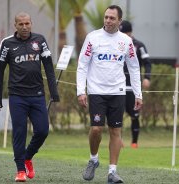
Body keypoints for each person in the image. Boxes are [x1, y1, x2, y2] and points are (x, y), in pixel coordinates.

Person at [77, 5, 143, 184]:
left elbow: (134, 67)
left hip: (118, 91)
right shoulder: (93, 37)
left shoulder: (126, 41)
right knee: (97, 129)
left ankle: (112, 172)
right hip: (96, 91)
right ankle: (93, 159)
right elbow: (82, 64)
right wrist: (80, 91)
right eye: (106, 17)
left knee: (115, 130)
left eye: (112, 18)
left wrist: (138, 94)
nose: (107, 20)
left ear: (119, 21)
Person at [0, 12, 59, 182]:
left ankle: (28, 157)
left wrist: (54, 91)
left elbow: (49, 68)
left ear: (31, 24)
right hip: (17, 96)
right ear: (15, 25)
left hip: (37, 95)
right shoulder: (7, 44)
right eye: (20, 24)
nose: (24, 27)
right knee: (20, 132)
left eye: (27, 23)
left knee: (43, 131)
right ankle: (20, 170)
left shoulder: (40, 40)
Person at [119, 20, 151, 149]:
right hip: (119, 87)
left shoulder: (139, 45)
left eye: (125, 33)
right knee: (117, 116)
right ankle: (118, 140)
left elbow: (147, 62)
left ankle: (134, 143)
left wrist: (147, 77)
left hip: (133, 88)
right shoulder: (117, 43)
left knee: (134, 116)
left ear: (130, 32)